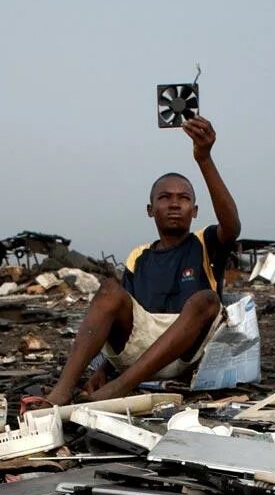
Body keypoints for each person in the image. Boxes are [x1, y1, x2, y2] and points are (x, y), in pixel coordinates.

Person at [41, 116, 241, 405]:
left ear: (195, 210)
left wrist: (204, 158)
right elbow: (127, 319)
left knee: (206, 300)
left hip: (188, 352)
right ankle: (62, 390)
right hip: (142, 350)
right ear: (150, 210)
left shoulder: (205, 243)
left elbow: (232, 226)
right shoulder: (139, 256)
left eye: (183, 198)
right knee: (110, 290)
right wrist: (103, 367)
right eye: (165, 198)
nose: (174, 204)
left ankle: (121, 388)